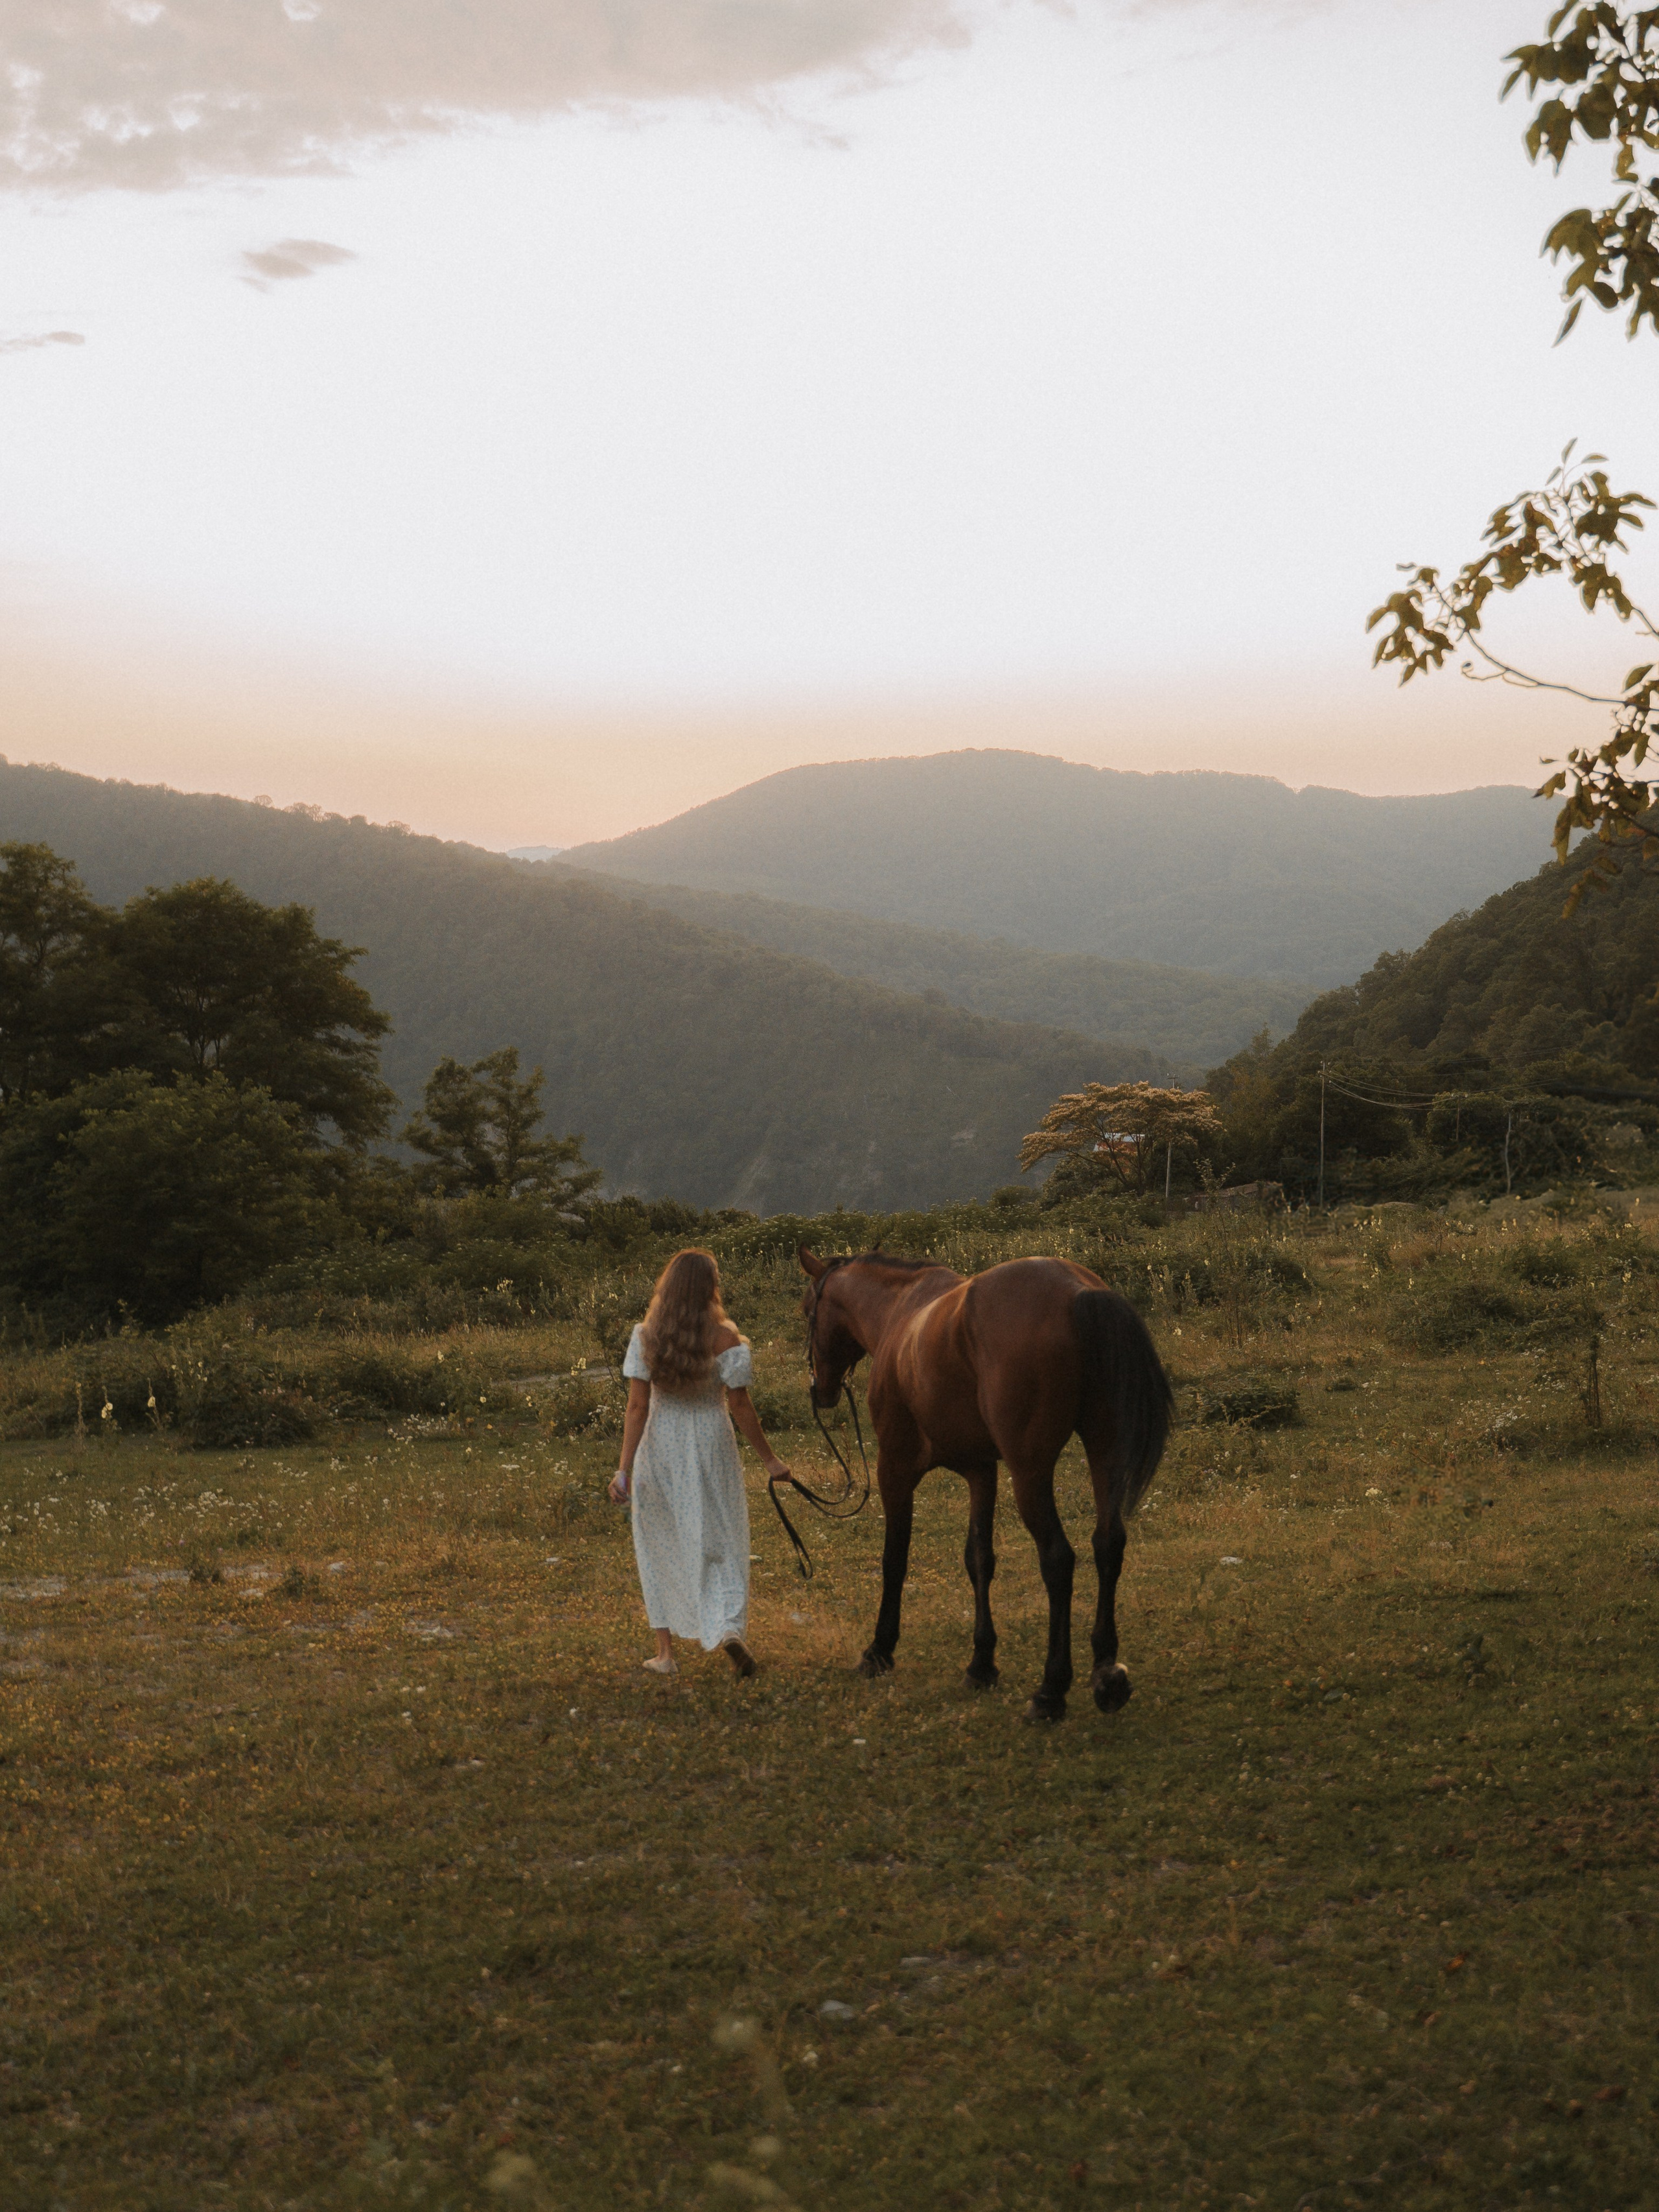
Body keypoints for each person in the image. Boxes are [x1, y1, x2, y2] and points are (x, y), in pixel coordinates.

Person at [607, 1248, 791, 1677]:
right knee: (719, 1534)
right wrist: (770, 1460)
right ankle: (726, 1626)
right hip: (710, 1438)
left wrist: (623, 1469)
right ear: (711, 1286)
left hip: (662, 1441)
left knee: (659, 1540)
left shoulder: (646, 1334)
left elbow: (637, 1406)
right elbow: (741, 1404)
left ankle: (666, 1654)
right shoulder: (726, 1335)